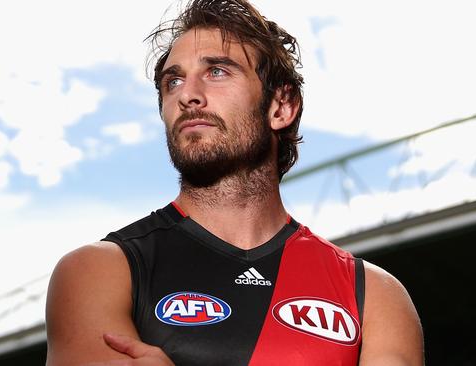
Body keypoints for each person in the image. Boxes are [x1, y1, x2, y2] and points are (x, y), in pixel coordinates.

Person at [45, 0, 424, 365]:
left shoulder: (372, 295)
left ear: (281, 107)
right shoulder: (100, 271)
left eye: (217, 72)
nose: (188, 95)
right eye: (172, 81)